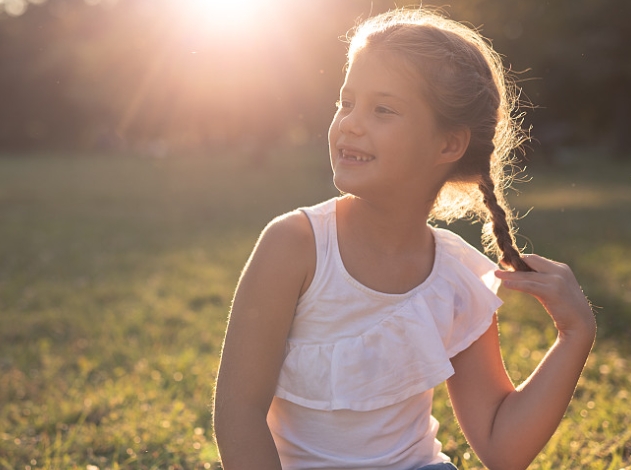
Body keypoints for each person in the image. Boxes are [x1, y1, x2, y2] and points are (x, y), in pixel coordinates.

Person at [213, 7, 596, 470]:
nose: (350, 123)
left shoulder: (455, 276)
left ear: (447, 145)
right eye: (346, 101)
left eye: (383, 109)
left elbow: (501, 445)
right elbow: (239, 411)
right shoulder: (296, 245)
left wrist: (576, 333)